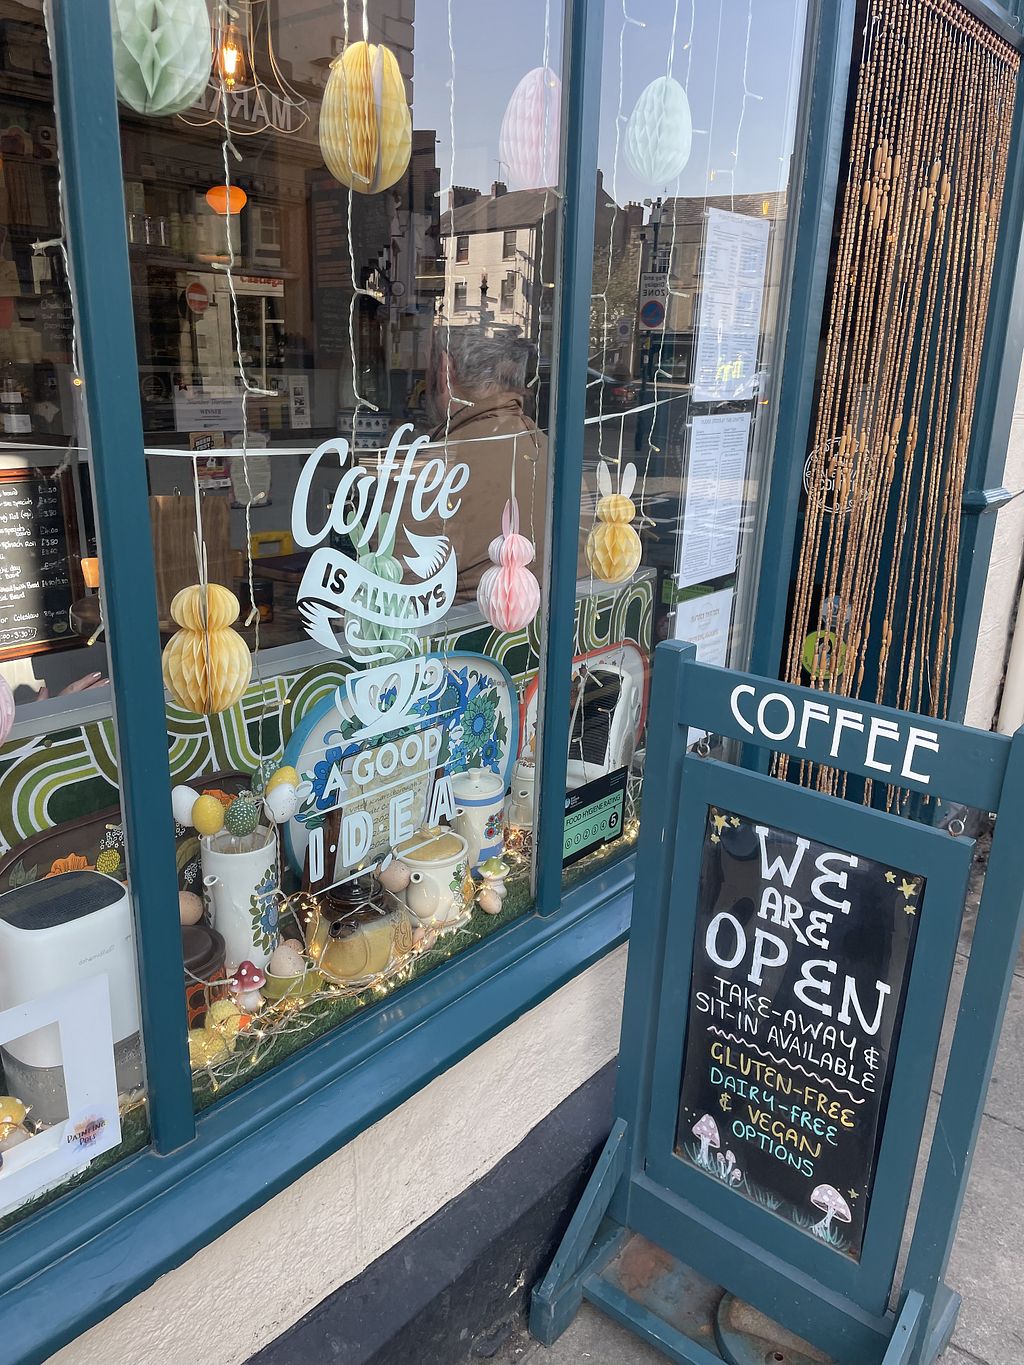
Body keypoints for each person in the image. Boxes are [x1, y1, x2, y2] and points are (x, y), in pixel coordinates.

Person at [423, 325, 585, 603]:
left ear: (445, 371)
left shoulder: (432, 469)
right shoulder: (555, 454)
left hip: (470, 626)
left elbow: (394, 590)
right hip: (555, 620)